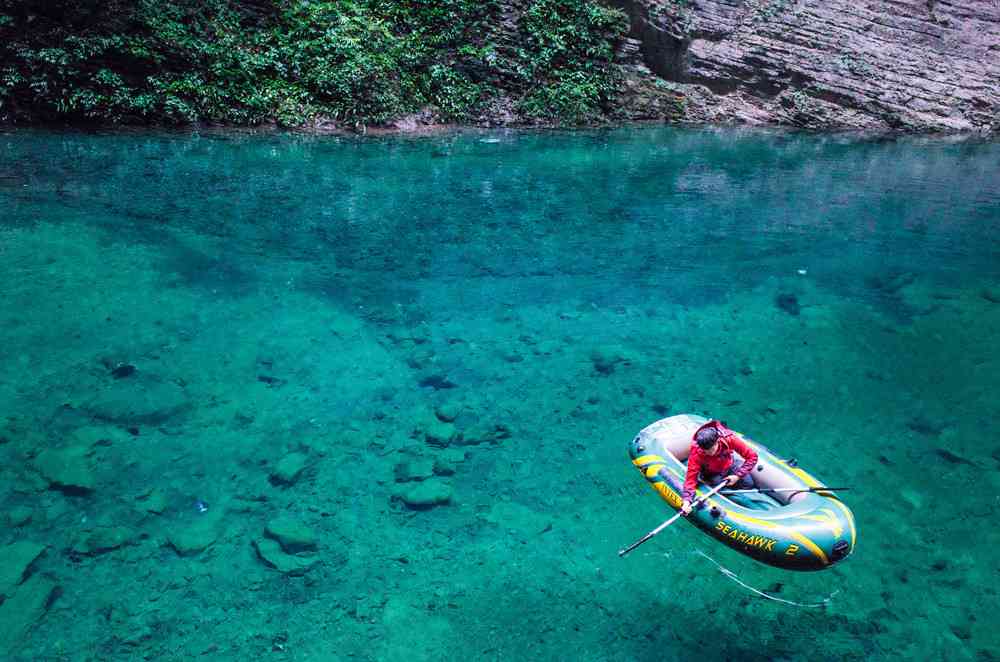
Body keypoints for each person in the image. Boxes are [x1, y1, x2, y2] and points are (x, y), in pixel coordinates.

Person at [680, 420, 758, 516]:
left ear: (718, 441)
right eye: (705, 451)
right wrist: (686, 501)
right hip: (712, 473)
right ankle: (717, 488)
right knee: (719, 492)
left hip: (730, 465)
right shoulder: (696, 454)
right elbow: (690, 480)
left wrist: (738, 476)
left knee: (748, 483)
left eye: (712, 449)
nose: (709, 453)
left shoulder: (729, 439)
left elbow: (752, 457)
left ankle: (732, 490)